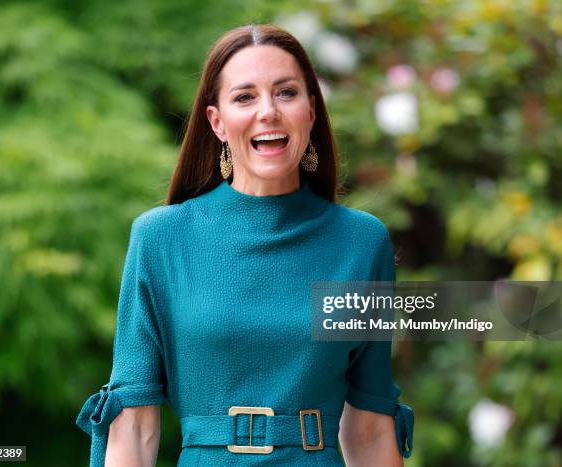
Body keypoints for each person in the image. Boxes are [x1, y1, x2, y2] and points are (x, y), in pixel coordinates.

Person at [76, 23, 414, 466]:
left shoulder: (361, 242)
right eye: (244, 97)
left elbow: (369, 430)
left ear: (311, 112)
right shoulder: (159, 240)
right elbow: (135, 430)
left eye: (286, 93)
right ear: (217, 122)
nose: (268, 111)